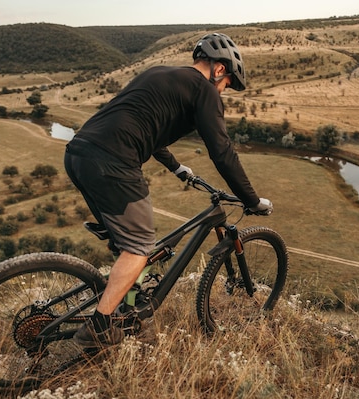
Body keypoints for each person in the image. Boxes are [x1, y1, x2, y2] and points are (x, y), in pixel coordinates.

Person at [64, 33, 273, 349]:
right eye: (227, 82)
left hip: (78, 153)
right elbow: (222, 151)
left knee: (129, 243)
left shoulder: (161, 74)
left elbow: (145, 125)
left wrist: (178, 168)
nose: (224, 90)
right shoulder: (205, 90)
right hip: (112, 161)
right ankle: (100, 327)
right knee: (140, 247)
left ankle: (127, 304)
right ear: (219, 69)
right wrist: (251, 200)